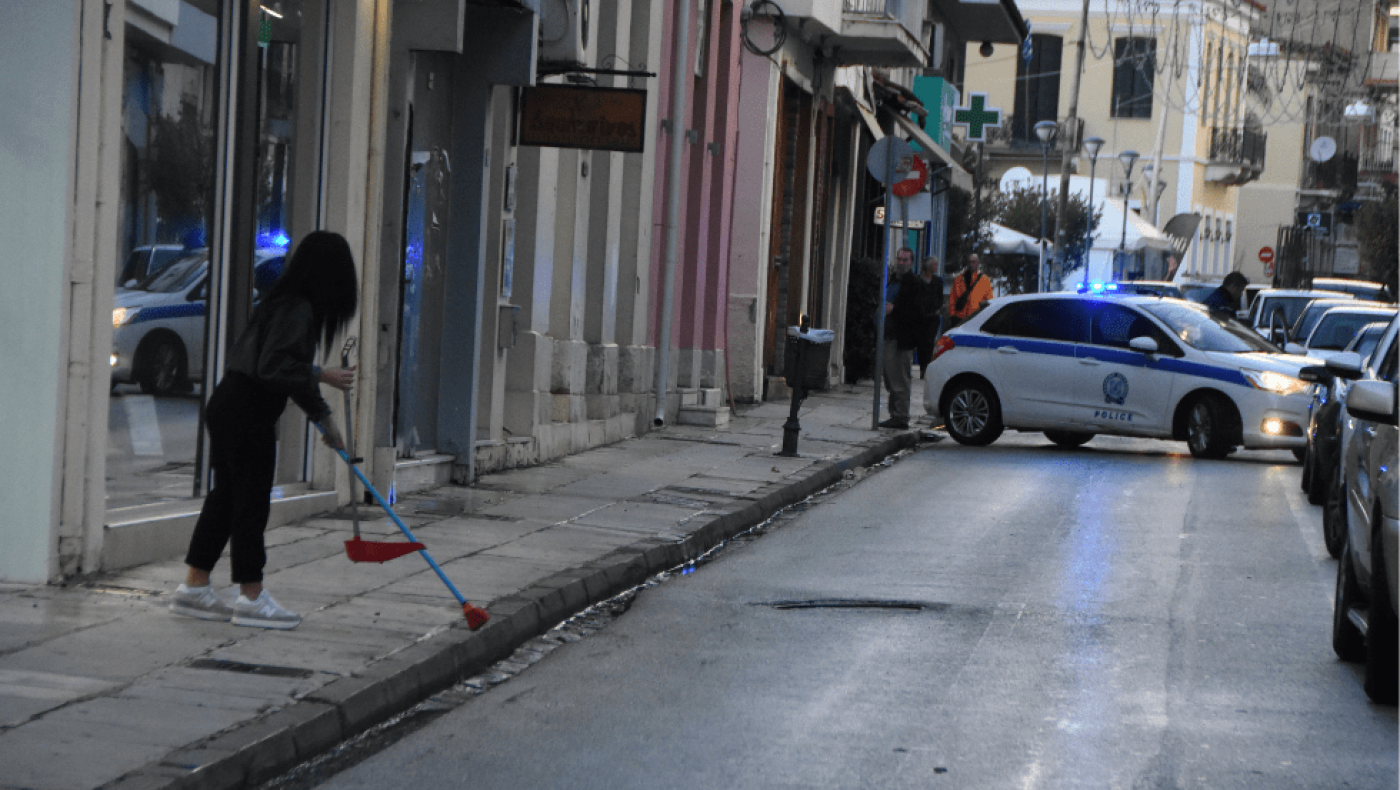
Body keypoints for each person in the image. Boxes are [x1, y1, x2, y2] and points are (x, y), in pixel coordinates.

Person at [170, 231, 359, 630]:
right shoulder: (299, 309)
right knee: (250, 505)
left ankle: (195, 587)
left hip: (229, 404)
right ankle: (251, 597)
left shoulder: (281, 302)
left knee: (226, 500)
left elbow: (283, 371)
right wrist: (322, 375)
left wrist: (324, 420)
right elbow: (276, 368)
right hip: (247, 412)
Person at [879, 247, 916, 429]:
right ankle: (895, 413)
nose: (901, 263)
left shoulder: (913, 283)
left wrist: (895, 310)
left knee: (900, 379)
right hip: (888, 335)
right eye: (899, 259)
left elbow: (916, 312)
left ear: (911, 262)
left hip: (901, 339)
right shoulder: (893, 279)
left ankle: (901, 416)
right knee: (890, 377)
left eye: (905, 260)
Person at [912, 255, 945, 378]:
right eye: (934, 264)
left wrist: (938, 309)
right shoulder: (919, 280)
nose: (936, 267)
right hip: (920, 316)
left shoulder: (938, 281)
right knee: (921, 342)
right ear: (929, 266)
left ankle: (926, 367)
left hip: (933, 317)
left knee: (929, 342)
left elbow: (940, 298)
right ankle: (922, 366)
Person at [948, 253, 993, 327]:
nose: (971, 264)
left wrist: (984, 317)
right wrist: (952, 315)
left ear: (978, 263)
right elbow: (953, 298)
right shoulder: (959, 279)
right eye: (970, 262)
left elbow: (988, 300)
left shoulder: (985, 280)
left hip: (975, 318)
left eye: (973, 262)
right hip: (959, 317)